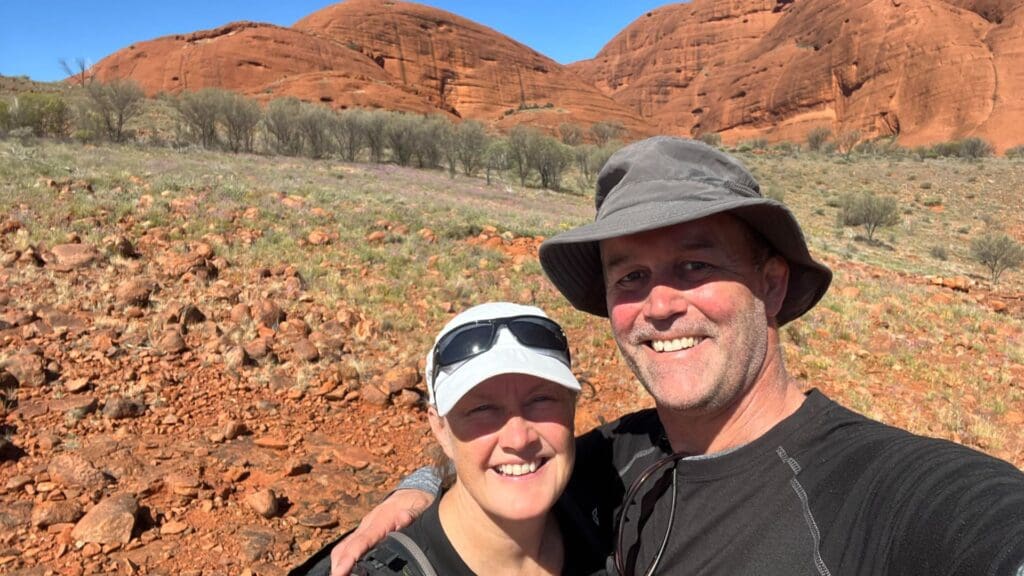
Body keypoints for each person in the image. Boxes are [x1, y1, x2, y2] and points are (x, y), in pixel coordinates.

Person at [328, 137, 1024, 575]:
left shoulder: (884, 494)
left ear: (771, 284)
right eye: (630, 276)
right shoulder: (615, 458)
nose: (659, 305)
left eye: (694, 264)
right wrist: (420, 491)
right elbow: (504, 450)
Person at [293, 302, 605, 576]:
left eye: (541, 400)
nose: (519, 438)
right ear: (440, 429)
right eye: (483, 408)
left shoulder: (614, 503)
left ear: (572, 409)